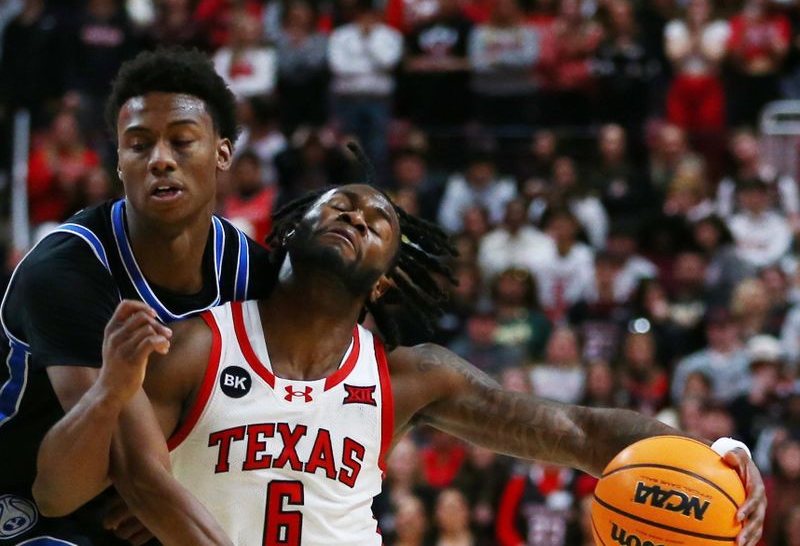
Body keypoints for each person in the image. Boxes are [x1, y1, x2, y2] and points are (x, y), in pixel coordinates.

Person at [45, 176, 766, 545]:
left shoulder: (407, 375)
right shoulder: (196, 345)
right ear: (292, 229)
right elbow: (126, 483)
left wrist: (718, 455)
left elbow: (578, 432)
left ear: (387, 279)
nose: (358, 216)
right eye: (339, 207)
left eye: (380, 221)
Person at [0, 47, 277, 545]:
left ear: (222, 152)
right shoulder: (66, 270)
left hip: (143, 494)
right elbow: (68, 488)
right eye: (140, 145)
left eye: (182, 141)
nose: (161, 160)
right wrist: (152, 482)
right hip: (25, 497)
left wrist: (184, 484)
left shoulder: (254, 274)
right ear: (120, 162)